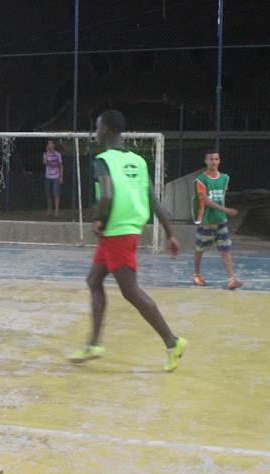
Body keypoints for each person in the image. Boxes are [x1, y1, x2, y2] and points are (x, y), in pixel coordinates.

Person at [69, 110, 188, 372]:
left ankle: (172, 342)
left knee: (130, 291)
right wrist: (170, 234)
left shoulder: (102, 160)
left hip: (116, 231)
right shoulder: (138, 160)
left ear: (108, 131)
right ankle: (93, 344)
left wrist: (97, 219)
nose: (96, 131)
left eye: (98, 127)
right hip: (127, 229)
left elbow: (106, 196)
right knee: (93, 280)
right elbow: (153, 200)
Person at [191, 150, 242, 290]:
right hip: (207, 221)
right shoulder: (201, 179)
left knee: (225, 250)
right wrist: (225, 210)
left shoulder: (225, 178)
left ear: (219, 161)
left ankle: (231, 279)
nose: (213, 161)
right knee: (200, 249)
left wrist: (223, 212)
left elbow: (221, 196)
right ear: (205, 161)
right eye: (211, 159)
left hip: (221, 221)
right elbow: (205, 200)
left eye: (216, 159)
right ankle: (196, 274)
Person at [43, 140, 63, 217]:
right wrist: (48, 153)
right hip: (48, 176)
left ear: (54, 145)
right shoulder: (45, 154)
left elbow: (61, 165)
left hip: (56, 176)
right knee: (48, 194)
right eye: (48, 144)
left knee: (56, 194)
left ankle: (56, 211)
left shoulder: (58, 155)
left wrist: (61, 176)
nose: (49, 145)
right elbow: (45, 163)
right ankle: (49, 210)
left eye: (51, 143)